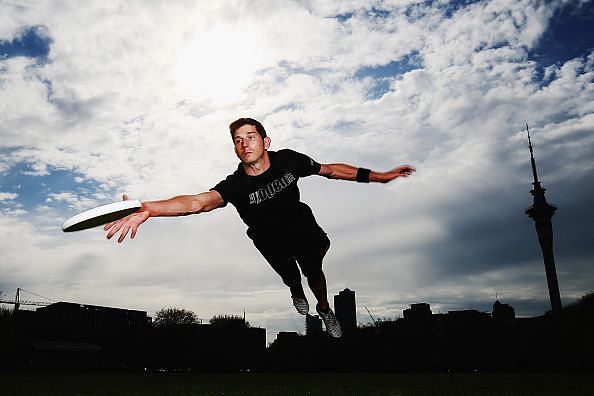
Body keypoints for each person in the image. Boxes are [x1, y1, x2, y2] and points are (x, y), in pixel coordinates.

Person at [105, 118, 415, 338]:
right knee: (291, 276)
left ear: (265, 141)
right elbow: (198, 202)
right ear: (235, 149)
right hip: (269, 240)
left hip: (300, 226)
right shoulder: (236, 185)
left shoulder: (289, 161)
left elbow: (332, 170)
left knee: (314, 271)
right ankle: (295, 290)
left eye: (250, 136)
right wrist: (150, 208)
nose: (244, 143)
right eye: (238, 141)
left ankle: (323, 307)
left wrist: (381, 176)